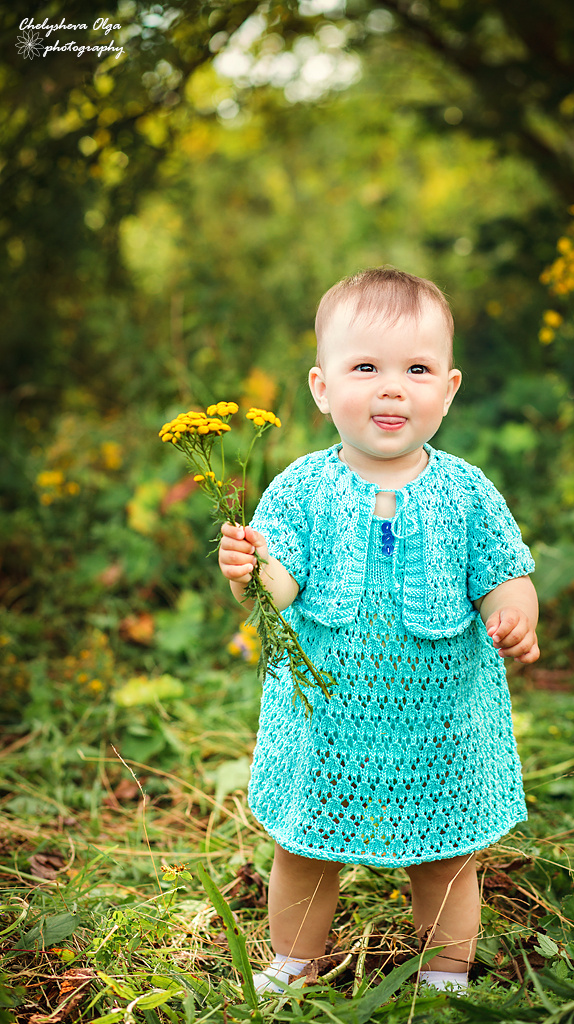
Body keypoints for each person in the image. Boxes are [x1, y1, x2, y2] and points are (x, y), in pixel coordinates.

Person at [218, 268, 539, 995]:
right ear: (322, 387)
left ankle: (447, 971)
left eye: (416, 370)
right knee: (306, 845)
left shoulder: (465, 490)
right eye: (365, 367)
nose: (392, 388)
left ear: (448, 390)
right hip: (324, 715)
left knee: (445, 851)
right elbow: (277, 586)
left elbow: (505, 574)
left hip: (439, 720)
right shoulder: (302, 486)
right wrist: (248, 568)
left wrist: (515, 613)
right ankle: (292, 960)